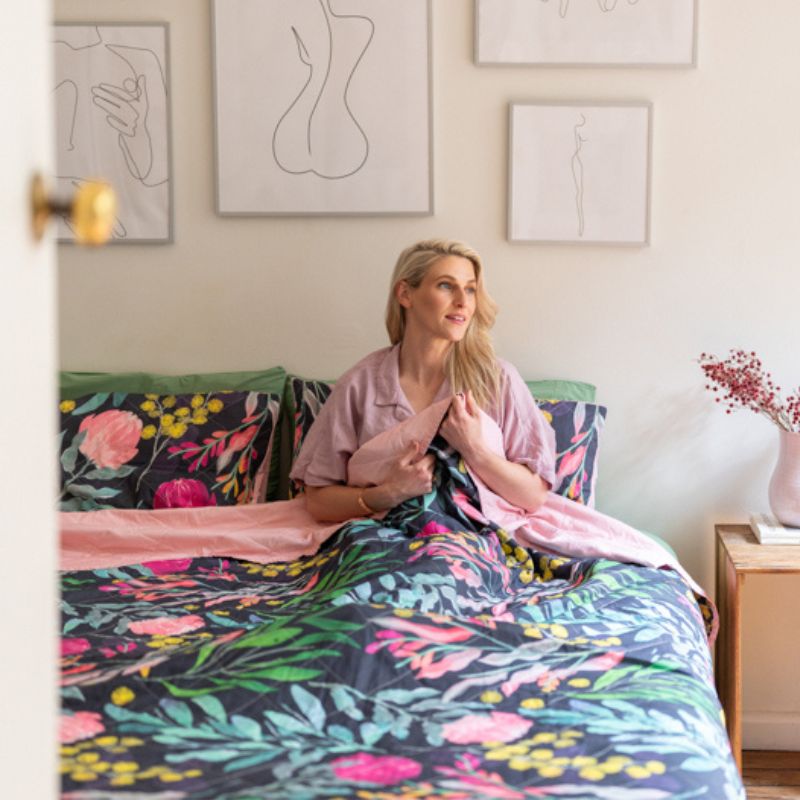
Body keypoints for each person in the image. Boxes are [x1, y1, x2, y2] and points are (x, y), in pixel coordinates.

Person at [290, 239, 556, 523]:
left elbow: (533, 496)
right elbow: (317, 500)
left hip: (470, 543)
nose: (463, 302)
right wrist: (387, 493)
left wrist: (475, 450)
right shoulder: (360, 384)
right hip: (377, 541)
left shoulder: (497, 380)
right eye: (446, 285)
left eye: (470, 289)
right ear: (405, 294)